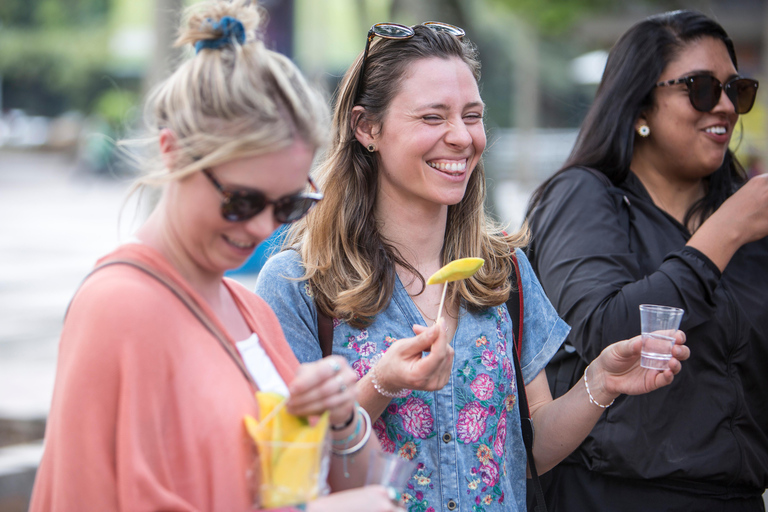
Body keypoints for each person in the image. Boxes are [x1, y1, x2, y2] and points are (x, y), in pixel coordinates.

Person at [255, 21, 690, 512]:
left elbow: (529, 451)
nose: (461, 137)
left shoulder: (503, 271)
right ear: (366, 128)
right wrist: (381, 384)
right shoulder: (299, 283)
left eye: (472, 115)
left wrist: (601, 383)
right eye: (433, 117)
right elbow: (289, 463)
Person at [29, 2, 403, 511]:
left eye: (290, 204)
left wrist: (338, 417)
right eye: (241, 201)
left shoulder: (249, 310)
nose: (261, 227)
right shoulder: (119, 306)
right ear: (173, 151)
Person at [525, 10, 768, 511]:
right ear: (639, 104)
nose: (724, 106)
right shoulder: (585, 196)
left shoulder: (751, 224)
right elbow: (600, 329)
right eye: (701, 88)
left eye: (736, 89)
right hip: (611, 496)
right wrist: (723, 233)